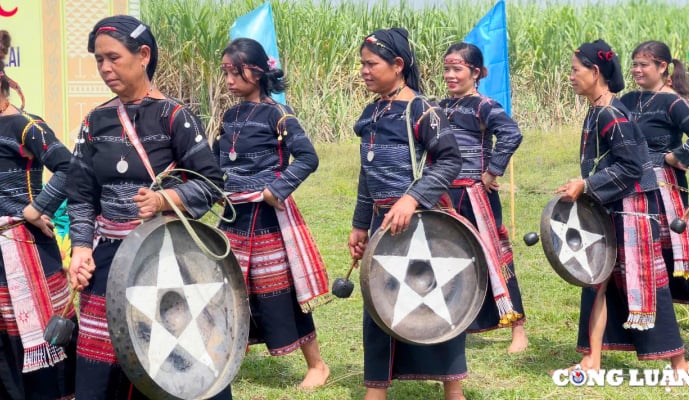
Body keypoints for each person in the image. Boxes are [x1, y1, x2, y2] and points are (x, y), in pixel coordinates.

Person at [65, 16, 229, 399]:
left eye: (113, 58)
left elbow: (211, 185)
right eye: (98, 60)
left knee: (177, 352)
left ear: (143, 56)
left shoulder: (175, 117)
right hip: (107, 260)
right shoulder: (95, 122)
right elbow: (81, 194)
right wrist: (82, 247)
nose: (105, 68)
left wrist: (164, 199)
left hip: (166, 255)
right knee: (103, 362)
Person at [347, 28, 464, 400]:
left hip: (423, 223)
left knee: (439, 301)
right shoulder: (372, 112)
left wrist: (411, 199)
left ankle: (454, 389)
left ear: (398, 65)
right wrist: (358, 225)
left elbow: (450, 161)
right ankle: (376, 390)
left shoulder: (422, 110)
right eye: (362, 64)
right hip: (383, 225)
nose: (364, 71)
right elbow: (368, 175)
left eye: (372, 64)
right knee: (379, 304)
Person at [558, 39, 687, 372]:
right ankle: (593, 359)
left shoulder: (612, 113)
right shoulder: (600, 108)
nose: (570, 77)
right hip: (610, 207)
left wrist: (586, 185)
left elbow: (631, 167)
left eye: (575, 71)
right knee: (596, 282)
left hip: (632, 211)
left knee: (649, 284)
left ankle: (679, 365)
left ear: (595, 72)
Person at [214, 37, 331, 389]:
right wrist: (218, 188)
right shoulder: (229, 115)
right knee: (227, 287)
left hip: (267, 217)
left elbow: (308, 157)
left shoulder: (279, 115)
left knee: (278, 290)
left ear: (257, 71)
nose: (230, 81)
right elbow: (218, 159)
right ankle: (224, 359)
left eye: (235, 73)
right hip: (234, 216)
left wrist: (274, 189)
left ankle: (317, 366)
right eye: (226, 73)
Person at [0, 29, 77, 400]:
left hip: (25, 248)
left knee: (37, 345)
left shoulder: (26, 125)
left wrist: (37, 207)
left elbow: (70, 168)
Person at [439, 42, 528, 354]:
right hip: (443, 195)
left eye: (457, 69)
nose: (450, 75)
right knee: (450, 258)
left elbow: (511, 134)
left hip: (475, 194)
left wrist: (493, 171)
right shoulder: (441, 108)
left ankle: (518, 328)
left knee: (495, 255)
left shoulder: (483, 105)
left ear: (475, 73)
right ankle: (458, 321)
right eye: (447, 68)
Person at [619, 40, 689, 339]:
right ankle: (645, 313)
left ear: (662, 67)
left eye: (644, 64)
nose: (637, 70)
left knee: (680, 249)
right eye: (635, 64)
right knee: (641, 248)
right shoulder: (627, 100)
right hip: (632, 184)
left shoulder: (674, 102)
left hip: (665, 185)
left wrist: (676, 156)